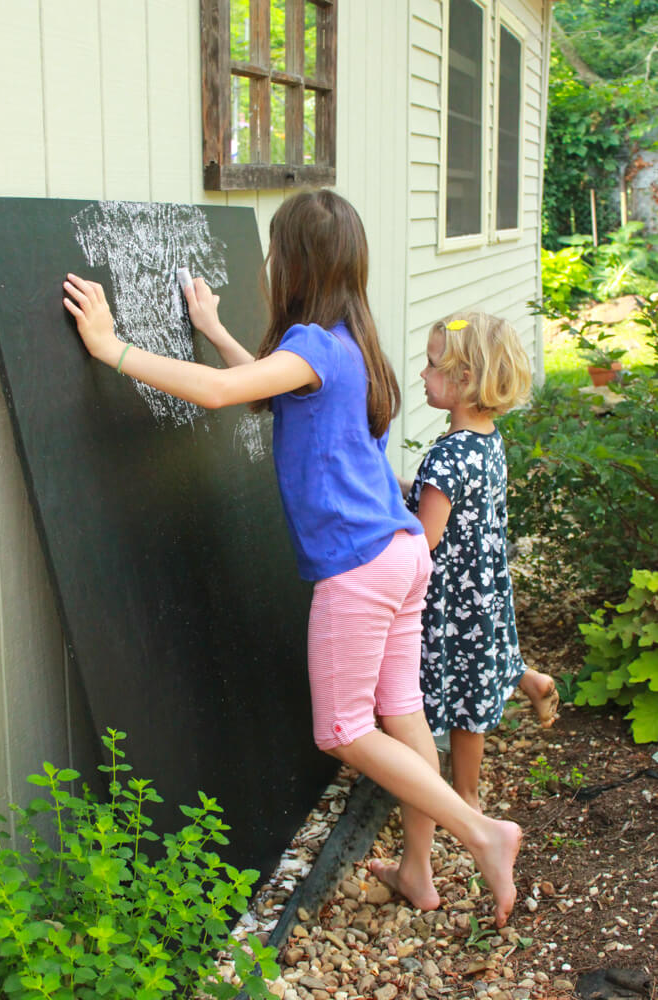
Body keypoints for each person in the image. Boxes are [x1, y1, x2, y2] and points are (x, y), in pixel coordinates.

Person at [62, 190, 521, 926]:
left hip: (358, 567)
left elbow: (220, 394)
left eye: (277, 253)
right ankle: (416, 871)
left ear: (295, 264)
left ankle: (483, 834)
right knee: (400, 714)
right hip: (402, 553)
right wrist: (213, 327)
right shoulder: (350, 344)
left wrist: (112, 347)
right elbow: (274, 390)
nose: (272, 265)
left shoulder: (311, 342)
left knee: (340, 730)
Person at [403, 312, 559, 813]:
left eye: (431, 366)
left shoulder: (447, 457)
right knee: (474, 688)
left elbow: (424, 538)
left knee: (456, 700)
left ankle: (462, 800)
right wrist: (398, 489)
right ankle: (524, 683)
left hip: (450, 603)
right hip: (483, 589)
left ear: (464, 379)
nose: (422, 376)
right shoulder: (487, 442)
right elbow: (448, 504)